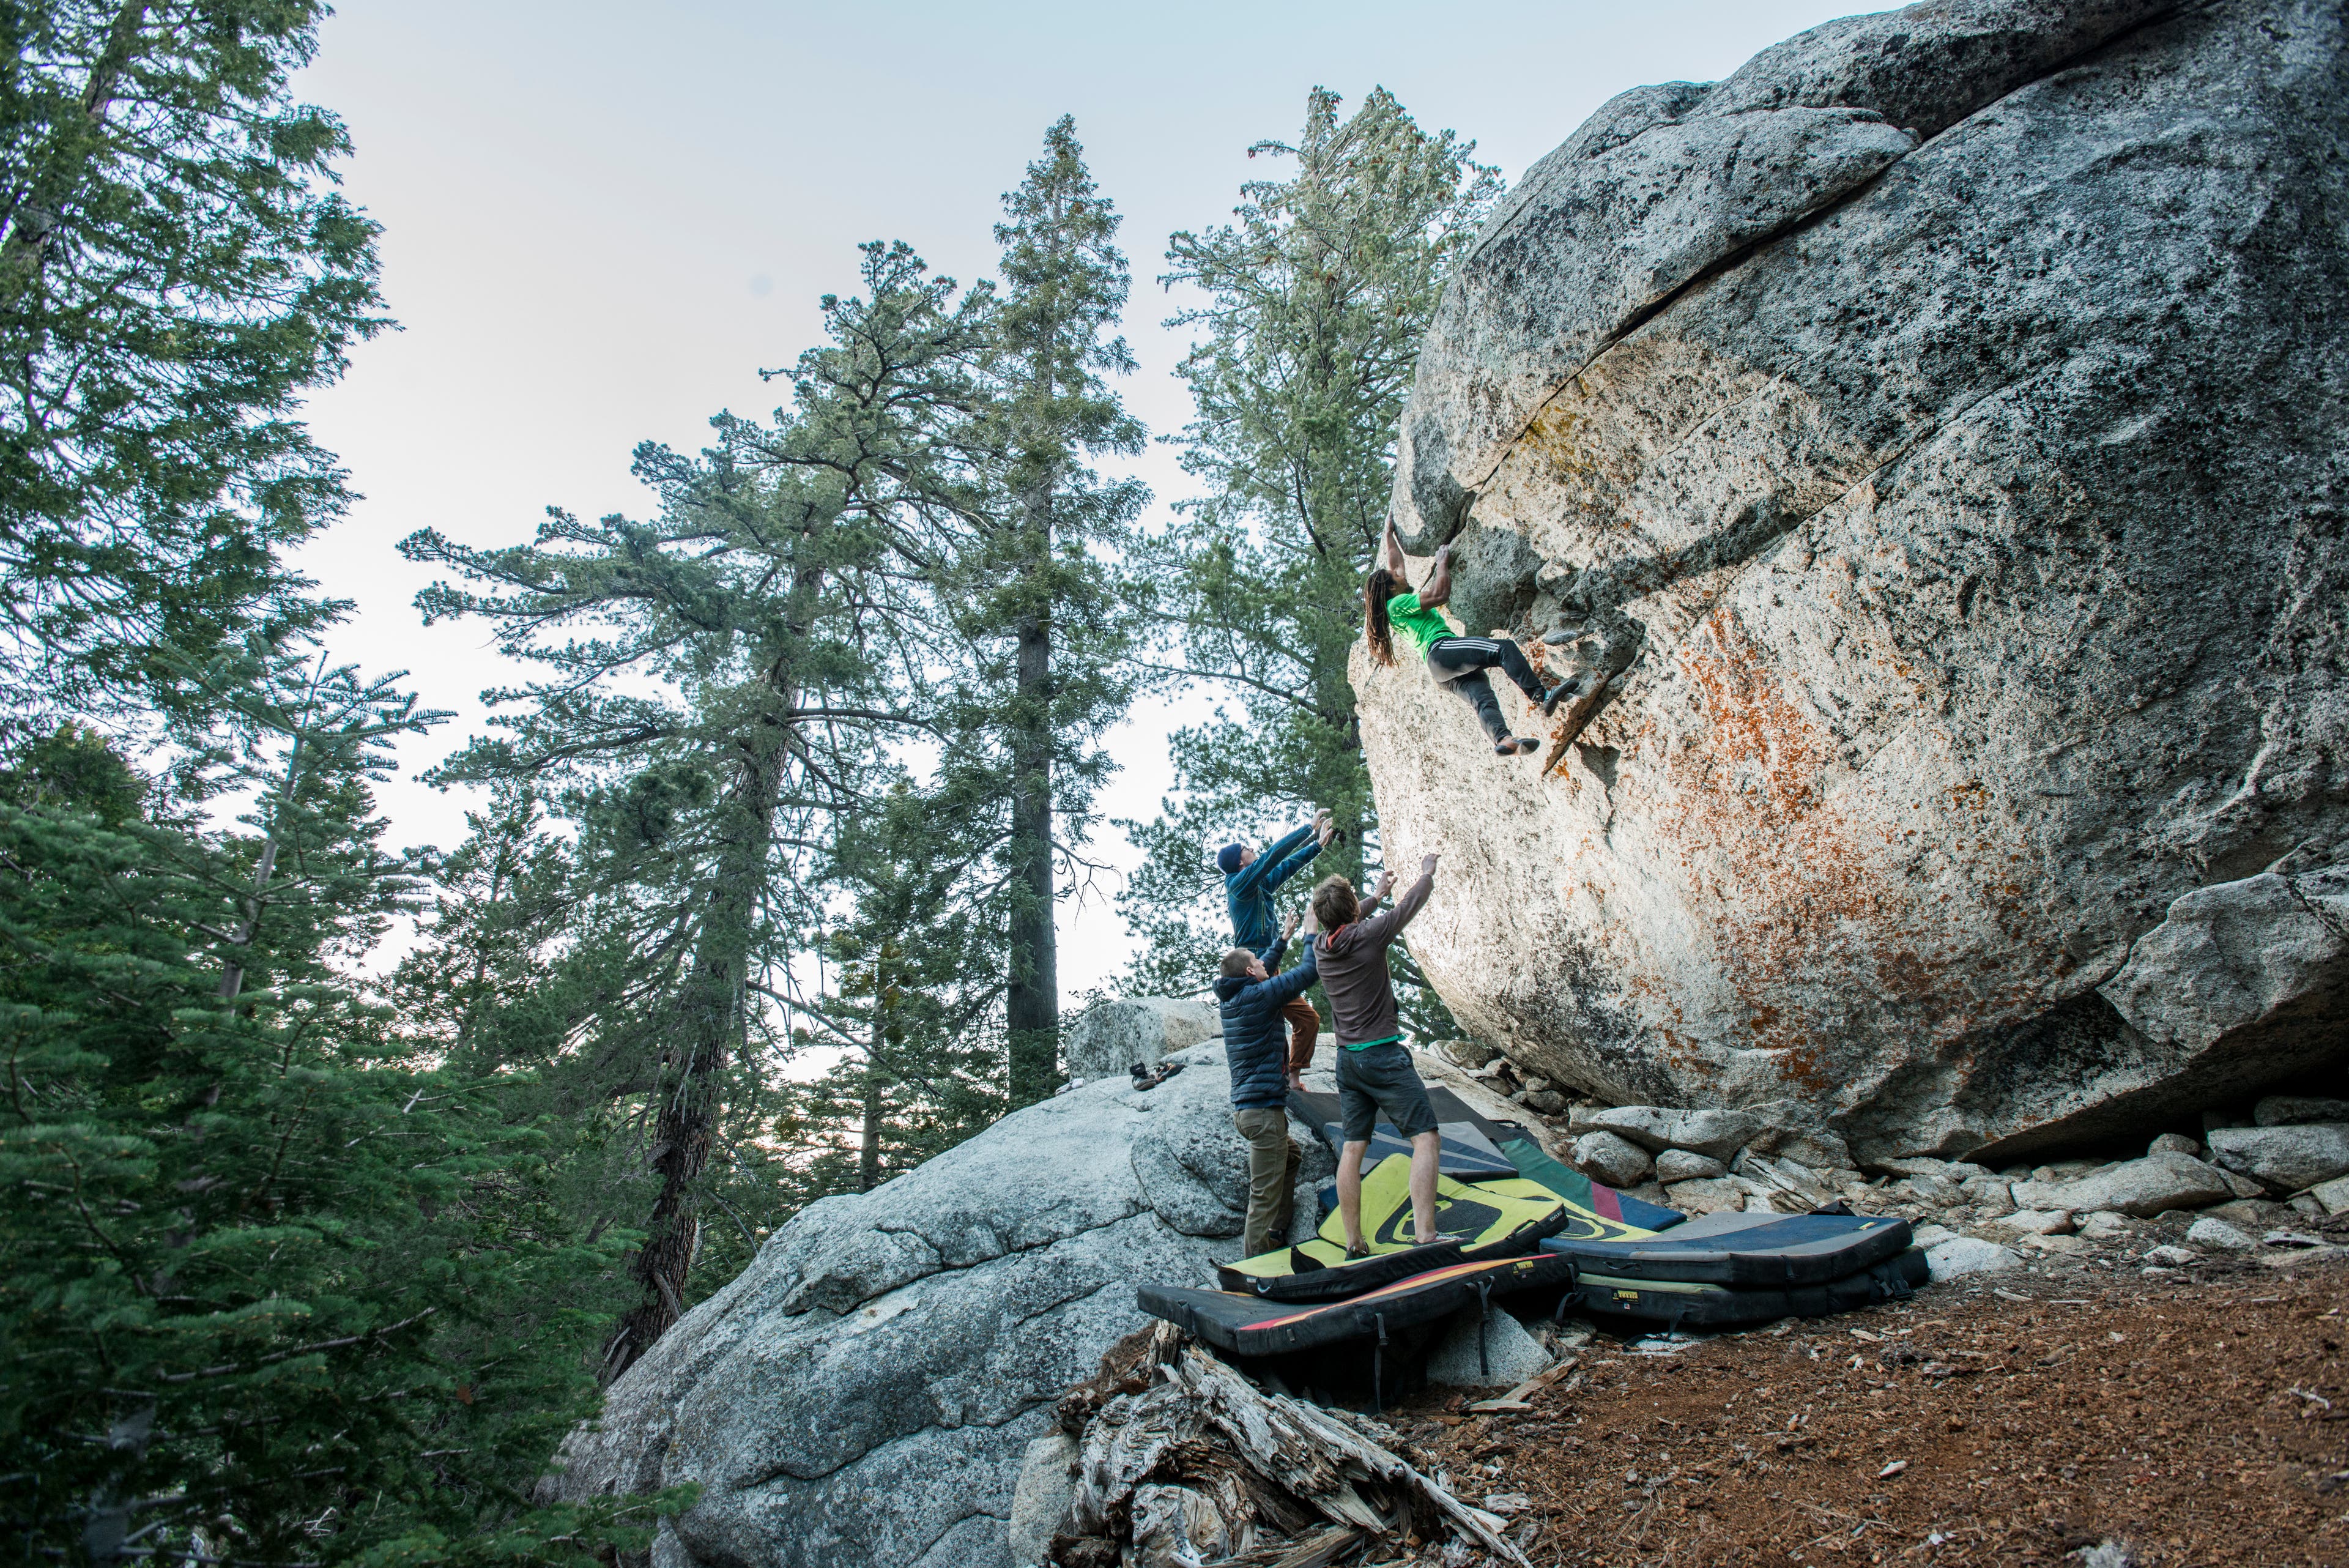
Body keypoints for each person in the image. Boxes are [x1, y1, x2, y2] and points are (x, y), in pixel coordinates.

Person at [1312, 852, 1451, 1253]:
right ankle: (1426, 1234)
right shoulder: (1370, 935)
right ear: (1352, 910)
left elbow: (1346, 922)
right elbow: (1410, 905)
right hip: (1383, 1056)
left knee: (1353, 1147)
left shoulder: (1322, 946)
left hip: (1348, 1062)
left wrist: (1372, 897)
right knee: (1425, 1138)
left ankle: (1354, 1240)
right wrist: (1427, 872)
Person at [1364, 516, 1577, 756]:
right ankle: (1540, 695)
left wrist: (1389, 535)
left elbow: (1396, 566)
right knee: (1504, 649)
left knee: (1482, 697)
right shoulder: (1398, 603)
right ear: (1392, 588)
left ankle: (1504, 740)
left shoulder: (1394, 606)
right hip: (1442, 650)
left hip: (1441, 672)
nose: (1401, 575)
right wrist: (1442, 562)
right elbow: (1440, 594)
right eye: (1397, 578)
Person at [1214, 905, 1318, 1258]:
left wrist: (1283, 938)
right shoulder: (1260, 995)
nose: (1265, 965)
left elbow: (1262, 966)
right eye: (1259, 963)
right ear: (1250, 972)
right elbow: (1308, 972)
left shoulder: (1236, 998)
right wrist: (1310, 932)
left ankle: (1276, 1232)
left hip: (1249, 1111)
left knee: (1291, 1156)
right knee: (1263, 1194)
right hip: (1263, 1114)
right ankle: (1255, 1267)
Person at [1219, 811, 1337, 1089]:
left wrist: (1317, 846)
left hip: (1269, 962)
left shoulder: (1257, 884)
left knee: (1304, 1019)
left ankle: (1292, 1075)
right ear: (1240, 862)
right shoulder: (1239, 885)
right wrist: (1308, 828)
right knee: (1294, 1020)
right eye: (1246, 848)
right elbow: (1272, 856)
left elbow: (1285, 867)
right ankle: (1289, 1078)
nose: (1251, 849)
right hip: (1255, 966)